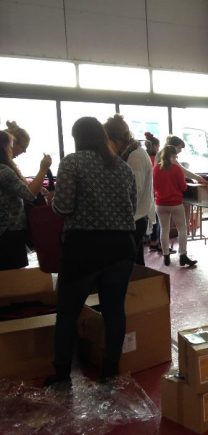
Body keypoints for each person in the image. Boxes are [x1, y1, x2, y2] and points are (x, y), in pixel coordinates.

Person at [47, 117, 136, 387]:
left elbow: (63, 208)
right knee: (114, 311)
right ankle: (109, 372)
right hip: (121, 247)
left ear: (77, 138)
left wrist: (53, 202)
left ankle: (62, 374)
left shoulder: (72, 163)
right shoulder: (122, 167)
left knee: (68, 313)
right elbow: (131, 208)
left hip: (83, 249)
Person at [104, 114, 155, 266]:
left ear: (115, 139)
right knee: (135, 264)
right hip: (133, 219)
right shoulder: (131, 153)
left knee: (130, 266)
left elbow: (134, 192)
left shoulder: (135, 156)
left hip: (135, 220)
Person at [0, 131, 51, 270]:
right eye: (10, 146)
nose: (11, 150)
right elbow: (29, 194)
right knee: (13, 274)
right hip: (9, 231)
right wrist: (43, 169)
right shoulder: (4, 171)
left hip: (5, 230)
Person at [153, 145, 197, 267]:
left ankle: (166, 256)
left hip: (160, 204)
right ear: (173, 156)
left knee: (164, 229)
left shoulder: (156, 168)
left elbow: (154, 186)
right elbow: (183, 187)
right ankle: (183, 256)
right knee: (182, 229)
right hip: (175, 203)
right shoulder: (176, 169)